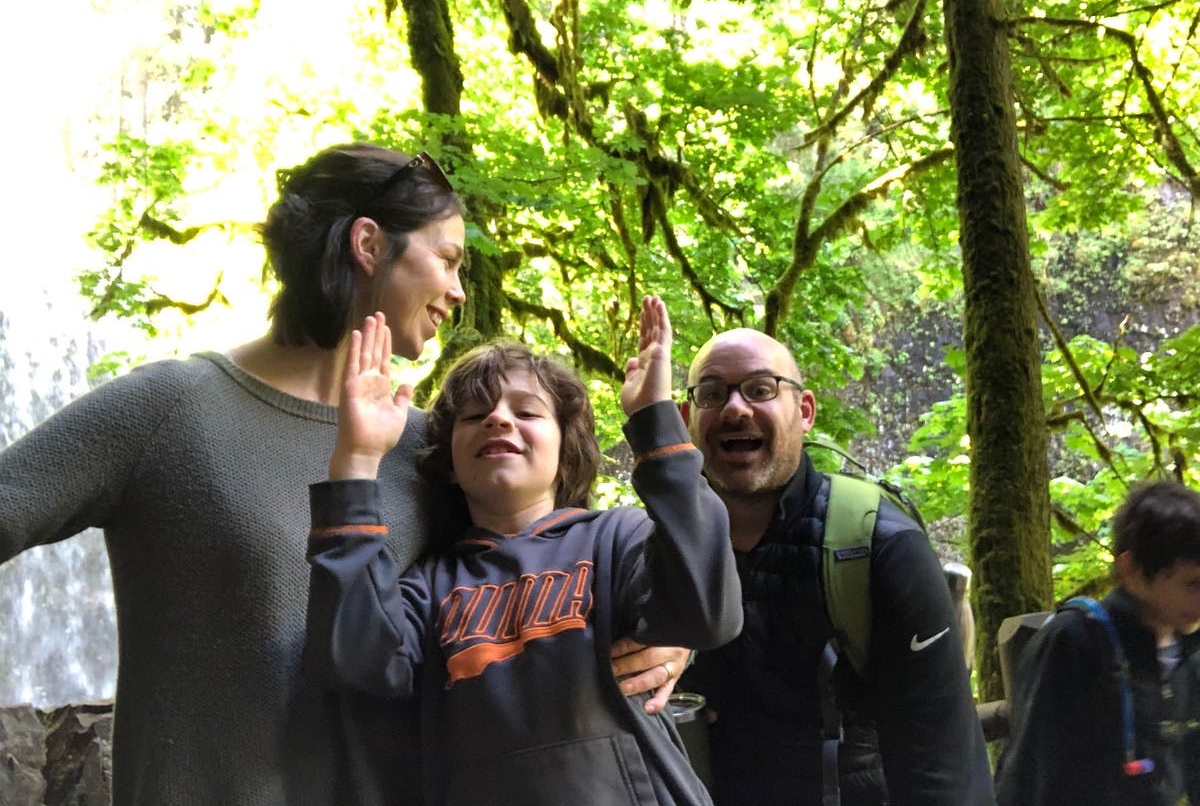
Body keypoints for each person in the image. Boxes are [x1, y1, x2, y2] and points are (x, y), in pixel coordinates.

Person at [0, 142, 681, 806]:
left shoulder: (433, 446)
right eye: (447, 259)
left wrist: (666, 629)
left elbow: (554, 572)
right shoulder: (169, 409)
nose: (457, 290)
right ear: (368, 244)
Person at [304, 297, 742, 806]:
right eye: (475, 415)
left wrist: (655, 421)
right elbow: (356, 663)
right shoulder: (428, 586)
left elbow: (708, 613)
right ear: (449, 463)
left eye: (527, 411)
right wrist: (356, 460)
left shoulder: (616, 539)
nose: (497, 419)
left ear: (565, 449)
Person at [676, 327, 995, 806]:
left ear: (804, 411)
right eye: (712, 394)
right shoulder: (661, 553)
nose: (735, 408)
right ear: (687, 418)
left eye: (760, 389)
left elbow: (945, 767)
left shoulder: (880, 546)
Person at [995, 479, 1200, 806]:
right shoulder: (1074, 642)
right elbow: (1029, 779)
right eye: (1193, 584)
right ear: (1131, 570)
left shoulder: (1190, 649)